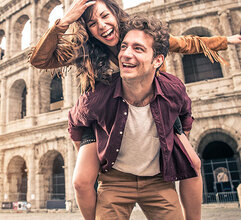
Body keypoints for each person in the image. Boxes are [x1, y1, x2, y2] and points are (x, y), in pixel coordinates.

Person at [30, 0, 241, 220]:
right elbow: (40, 59)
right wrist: (65, 20)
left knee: (193, 163)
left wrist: (225, 40)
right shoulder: (85, 49)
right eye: (93, 23)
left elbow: (184, 43)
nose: (102, 26)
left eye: (105, 16)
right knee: (82, 180)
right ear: (86, 29)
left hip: (156, 105)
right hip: (105, 116)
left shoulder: (138, 34)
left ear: (115, 13)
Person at [69, 16, 196, 219]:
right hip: (115, 180)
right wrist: (89, 153)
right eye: (124, 47)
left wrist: (176, 144)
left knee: (194, 164)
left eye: (138, 49)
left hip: (158, 181)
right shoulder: (98, 95)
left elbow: (186, 115)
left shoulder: (173, 88)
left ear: (158, 60)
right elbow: (75, 123)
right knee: (80, 181)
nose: (126, 54)